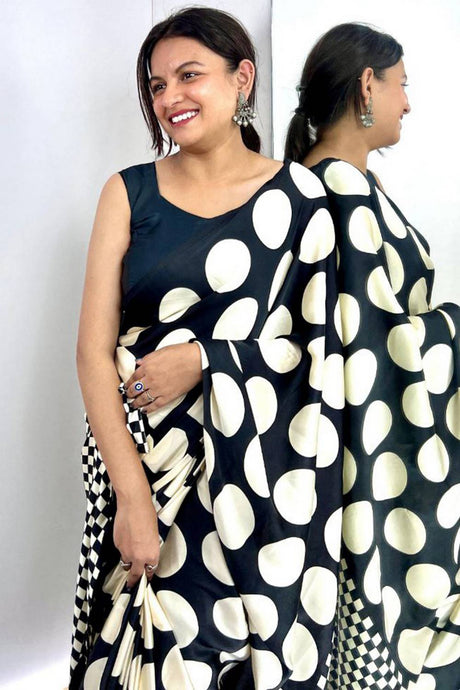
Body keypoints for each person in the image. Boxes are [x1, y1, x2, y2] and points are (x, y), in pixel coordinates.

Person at [69, 8, 346, 690]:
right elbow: (92, 353)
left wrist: (207, 360)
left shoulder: (301, 198)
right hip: (142, 465)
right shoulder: (128, 192)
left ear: (241, 77)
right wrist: (132, 497)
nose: (170, 98)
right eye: (157, 85)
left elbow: (321, 354)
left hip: (255, 481)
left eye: (188, 76)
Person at [285, 22, 460, 690]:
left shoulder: (334, 183)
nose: (407, 102)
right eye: (401, 85)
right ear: (367, 85)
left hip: (348, 453)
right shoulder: (340, 190)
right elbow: (372, 345)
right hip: (368, 461)